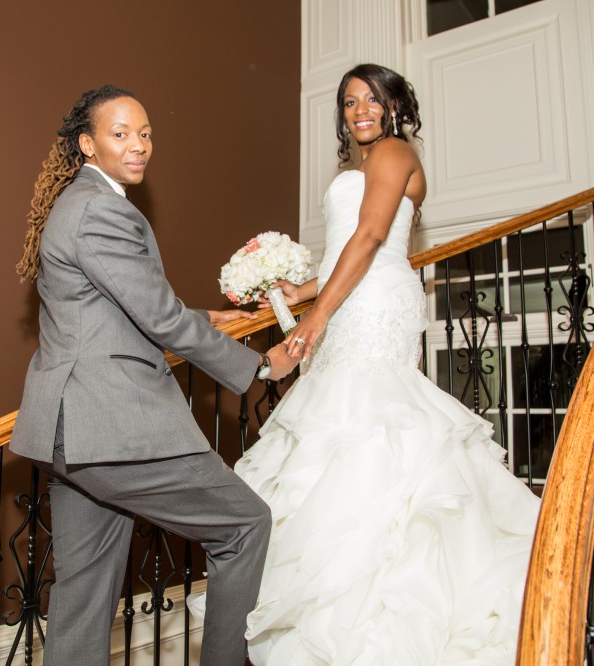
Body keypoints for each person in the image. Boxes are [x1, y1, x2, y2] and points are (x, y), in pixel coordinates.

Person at [233, 64, 542, 664]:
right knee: (340, 425)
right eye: (350, 102)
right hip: (349, 292)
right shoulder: (361, 165)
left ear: (395, 105)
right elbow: (345, 248)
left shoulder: (397, 151)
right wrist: (294, 292)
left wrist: (316, 317)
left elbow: (373, 236)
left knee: (374, 418)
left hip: (374, 302)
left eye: (372, 99)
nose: (360, 110)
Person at [9, 84, 298, 666]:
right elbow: (159, 318)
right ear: (87, 144)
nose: (138, 145)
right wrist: (262, 366)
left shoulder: (78, 203)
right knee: (244, 526)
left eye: (145, 133)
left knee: (84, 594)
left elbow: (113, 309)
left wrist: (205, 317)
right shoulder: (101, 209)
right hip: (113, 426)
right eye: (120, 134)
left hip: (69, 435)